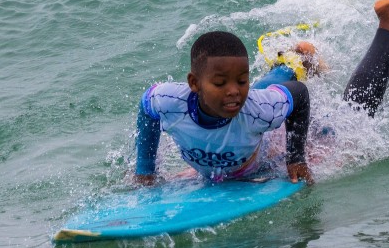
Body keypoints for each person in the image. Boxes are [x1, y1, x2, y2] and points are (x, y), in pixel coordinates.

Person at [133, 30, 312, 185]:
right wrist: (145, 170)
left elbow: (300, 93)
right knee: (254, 93)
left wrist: (295, 158)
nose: (234, 91)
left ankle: (293, 59)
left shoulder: (260, 109)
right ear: (194, 83)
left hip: (259, 149)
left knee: (266, 88)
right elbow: (147, 107)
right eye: (220, 83)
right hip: (240, 123)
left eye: (242, 81)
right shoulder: (169, 101)